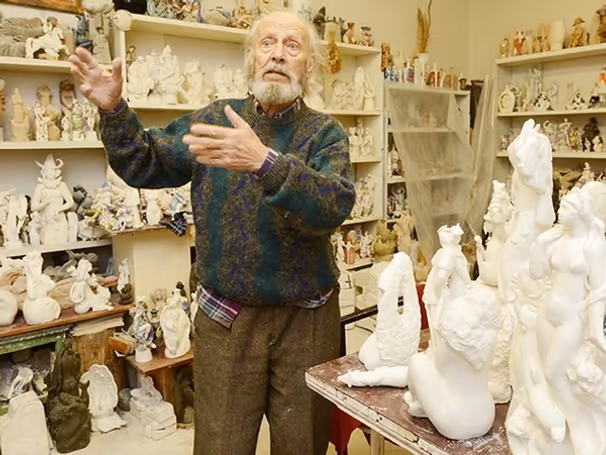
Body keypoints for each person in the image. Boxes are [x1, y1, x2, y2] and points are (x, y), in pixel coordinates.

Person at [68, 10, 355, 455]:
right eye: (267, 43)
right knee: (221, 443)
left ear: (309, 65)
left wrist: (265, 162)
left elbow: (333, 206)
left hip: (307, 319)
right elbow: (145, 161)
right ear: (251, 57)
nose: (278, 54)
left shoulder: (325, 134)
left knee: (303, 443)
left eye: (292, 45)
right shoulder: (218, 118)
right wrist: (113, 109)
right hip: (227, 317)